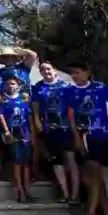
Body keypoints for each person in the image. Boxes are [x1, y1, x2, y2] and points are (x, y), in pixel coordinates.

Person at [68, 61, 108, 215]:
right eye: (72, 73)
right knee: (93, 179)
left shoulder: (100, 87)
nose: (74, 76)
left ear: (87, 72)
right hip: (84, 137)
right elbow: (71, 117)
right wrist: (77, 139)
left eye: (77, 72)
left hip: (101, 136)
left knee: (94, 176)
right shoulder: (71, 92)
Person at [32, 60, 80, 204]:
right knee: (56, 162)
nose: (46, 72)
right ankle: (65, 193)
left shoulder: (66, 86)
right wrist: (37, 121)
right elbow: (35, 106)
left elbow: (73, 108)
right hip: (49, 129)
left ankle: (75, 194)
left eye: (48, 69)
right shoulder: (38, 87)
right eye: (42, 70)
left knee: (71, 161)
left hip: (66, 129)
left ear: (54, 70)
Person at [0, 76, 35, 203]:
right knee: (17, 163)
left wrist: (32, 133)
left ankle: (27, 189)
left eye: (13, 84)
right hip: (12, 134)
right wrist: (6, 131)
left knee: (26, 163)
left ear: (18, 86)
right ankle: (19, 190)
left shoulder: (23, 99)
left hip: (25, 134)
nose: (11, 86)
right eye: (8, 84)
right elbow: (1, 116)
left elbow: (29, 117)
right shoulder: (3, 100)